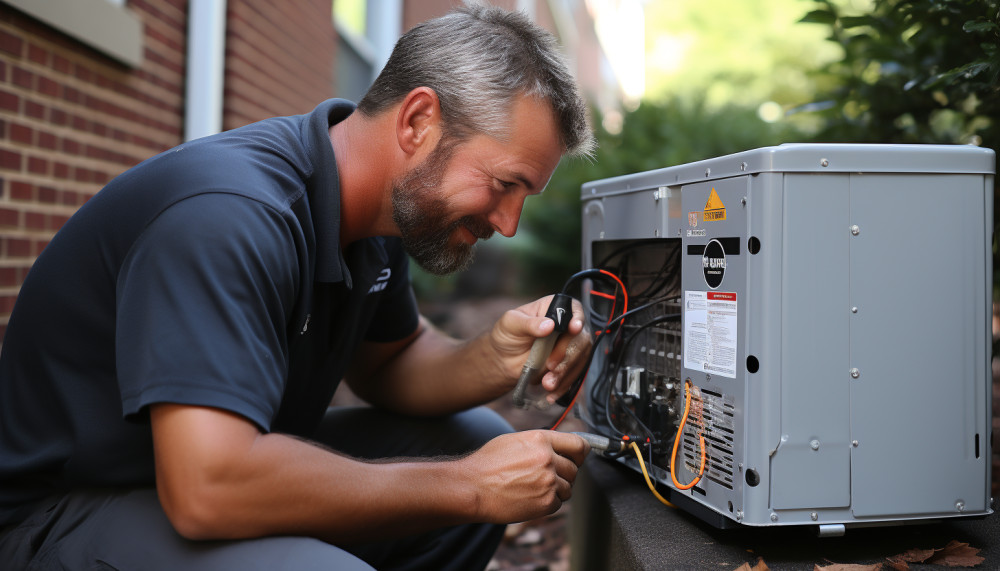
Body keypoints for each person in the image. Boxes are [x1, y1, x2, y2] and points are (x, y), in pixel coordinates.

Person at [0, 4, 597, 570]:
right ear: (418, 121)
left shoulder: (380, 212)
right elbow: (209, 488)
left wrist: (495, 356)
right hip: (60, 514)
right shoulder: (230, 215)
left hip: (194, 477)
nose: (508, 222)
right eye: (503, 183)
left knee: (472, 442)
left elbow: (391, 364)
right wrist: (468, 488)